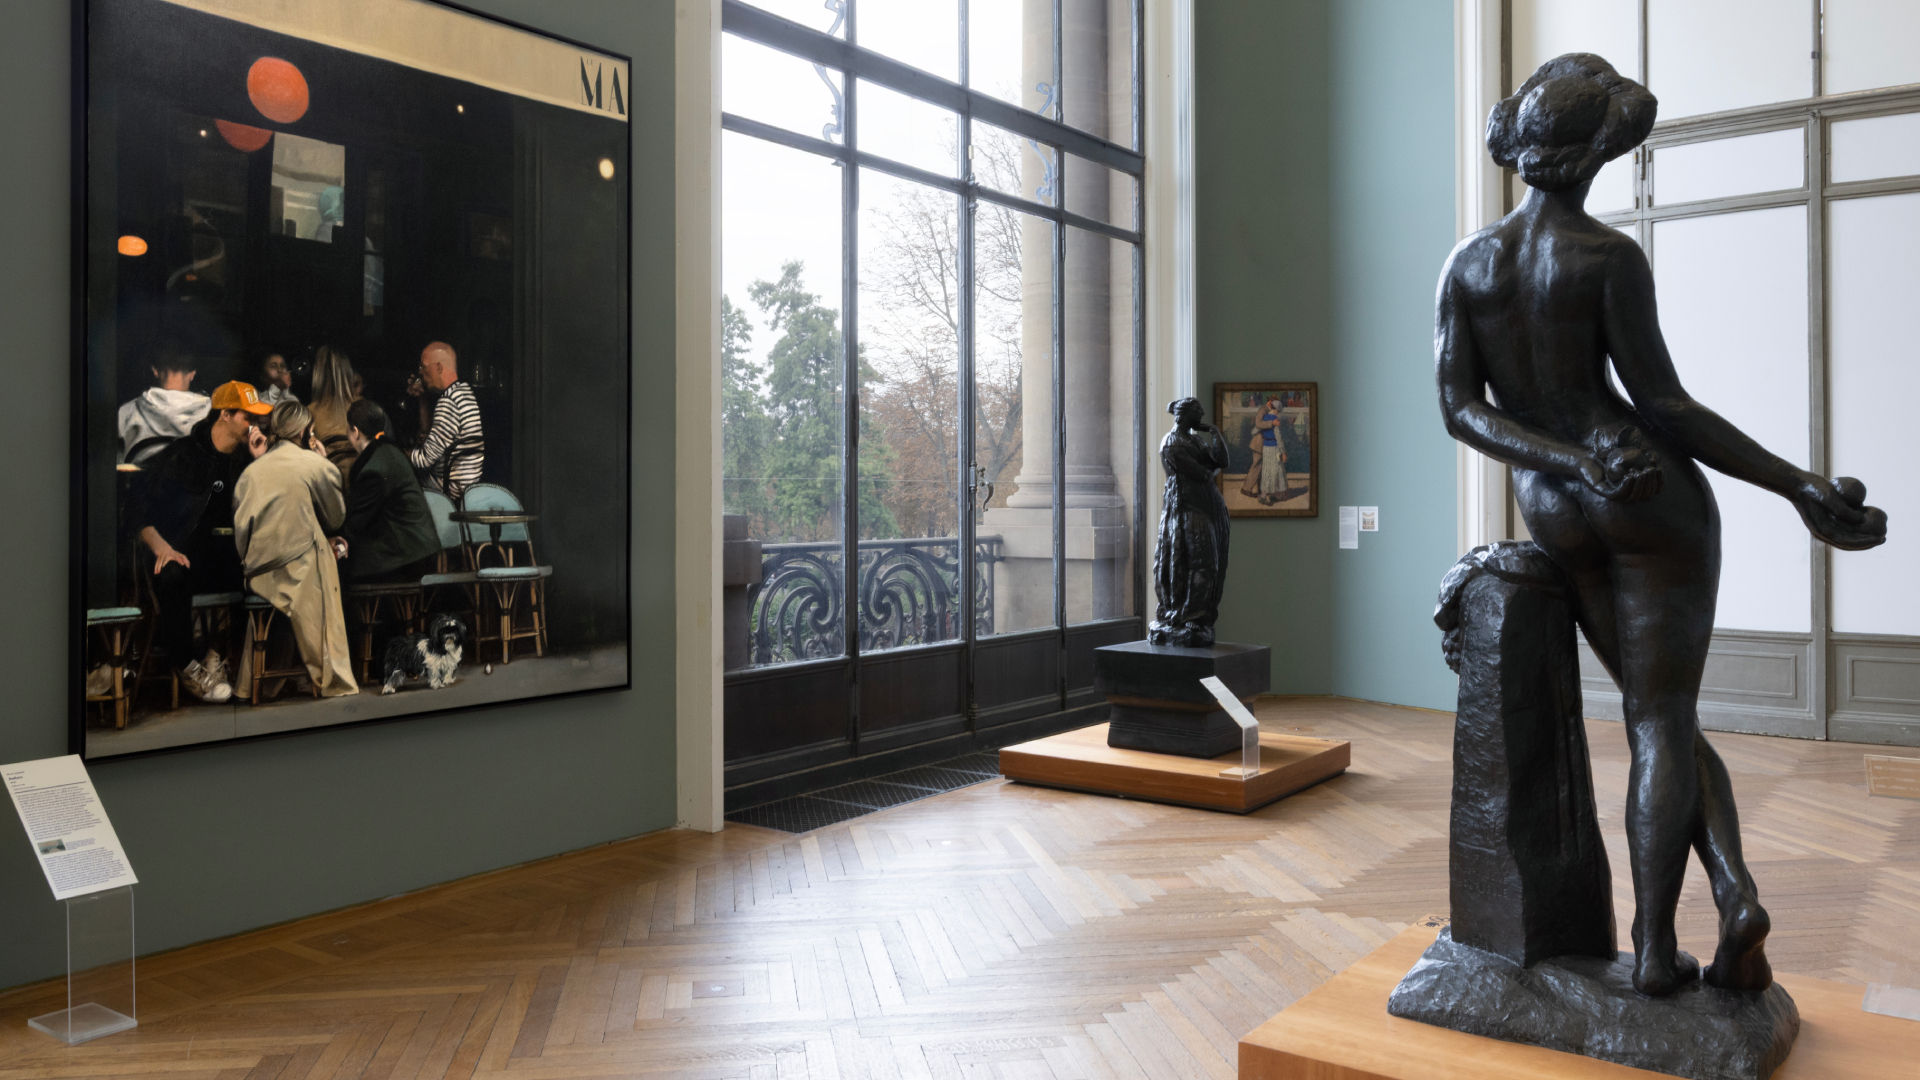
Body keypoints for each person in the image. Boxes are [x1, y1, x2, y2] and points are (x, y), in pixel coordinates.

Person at [1438, 54, 1886, 996]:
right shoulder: (1606, 258)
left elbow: (1461, 410)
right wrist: (1797, 484)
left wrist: (1563, 464)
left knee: (1660, 723)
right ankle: (1656, 944)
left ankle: (1722, 899)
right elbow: (1667, 408)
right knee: (1662, 720)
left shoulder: (1469, 263)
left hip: (1554, 505)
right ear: (1597, 155)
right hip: (1645, 495)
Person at [127, 380, 272, 702]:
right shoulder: (183, 455)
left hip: (228, 556)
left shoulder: (247, 459)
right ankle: (188, 666)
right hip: (183, 552)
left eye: (257, 418)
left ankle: (220, 656)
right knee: (173, 574)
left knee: (263, 573)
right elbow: (138, 511)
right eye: (247, 417)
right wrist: (162, 547)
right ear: (225, 415)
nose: (255, 425)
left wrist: (261, 462)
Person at [232, 400, 359, 697]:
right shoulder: (316, 465)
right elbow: (335, 518)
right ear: (304, 432)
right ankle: (327, 676)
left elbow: (242, 534)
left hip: (259, 575)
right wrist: (324, 462)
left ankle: (259, 683)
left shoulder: (251, 472)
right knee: (323, 557)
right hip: (301, 575)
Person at [1149, 397, 1231, 647]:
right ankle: (1187, 615)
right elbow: (1203, 473)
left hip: (1207, 506)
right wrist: (1212, 470)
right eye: (1198, 410)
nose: (1202, 413)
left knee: (1210, 563)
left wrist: (1215, 432)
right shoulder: (1171, 443)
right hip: (1187, 508)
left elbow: (1222, 462)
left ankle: (1198, 615)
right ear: (1184, 414)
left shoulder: (1195, 440)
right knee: (1198, 562)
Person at [339, 399, 442, 582]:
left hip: (405, 556)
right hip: (417, 549)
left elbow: (357, 522)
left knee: (339, 568)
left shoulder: (374, 469)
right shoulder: (389, 451)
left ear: (355, 431)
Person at [407, 341, 485, 501]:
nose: (420, 372)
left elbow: (424, 460)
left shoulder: (449, 402)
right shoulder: (464, 392)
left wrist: (400, 453)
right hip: (467, 485)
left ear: (438, 367)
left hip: (448, 487)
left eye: (423, 366)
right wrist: (422, 397)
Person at [118, 349, 211, 464]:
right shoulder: (211, 412)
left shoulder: (127, 411)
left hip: (143, 476)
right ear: (192, 374)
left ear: (155, 371)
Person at [308, 346, 361, 482]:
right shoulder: (364, 406)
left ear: (318, 373)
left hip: (330, 484)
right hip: (363, 483)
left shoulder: (309, 413)